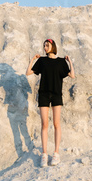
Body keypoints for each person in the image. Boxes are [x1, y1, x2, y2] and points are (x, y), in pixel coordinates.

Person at [26, 38, 75, 167]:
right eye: (44, 45)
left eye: (47, 45)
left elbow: (72, 75)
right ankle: (44, 154)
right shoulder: (42, 60)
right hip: (44, 95)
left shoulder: (61, 62)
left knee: (56, 123)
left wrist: (69, 61)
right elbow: (28, 72)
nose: (45, 47)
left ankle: (56, 153)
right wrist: (33, 59)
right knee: (44, 124)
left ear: (52, 46)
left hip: (56, 95)